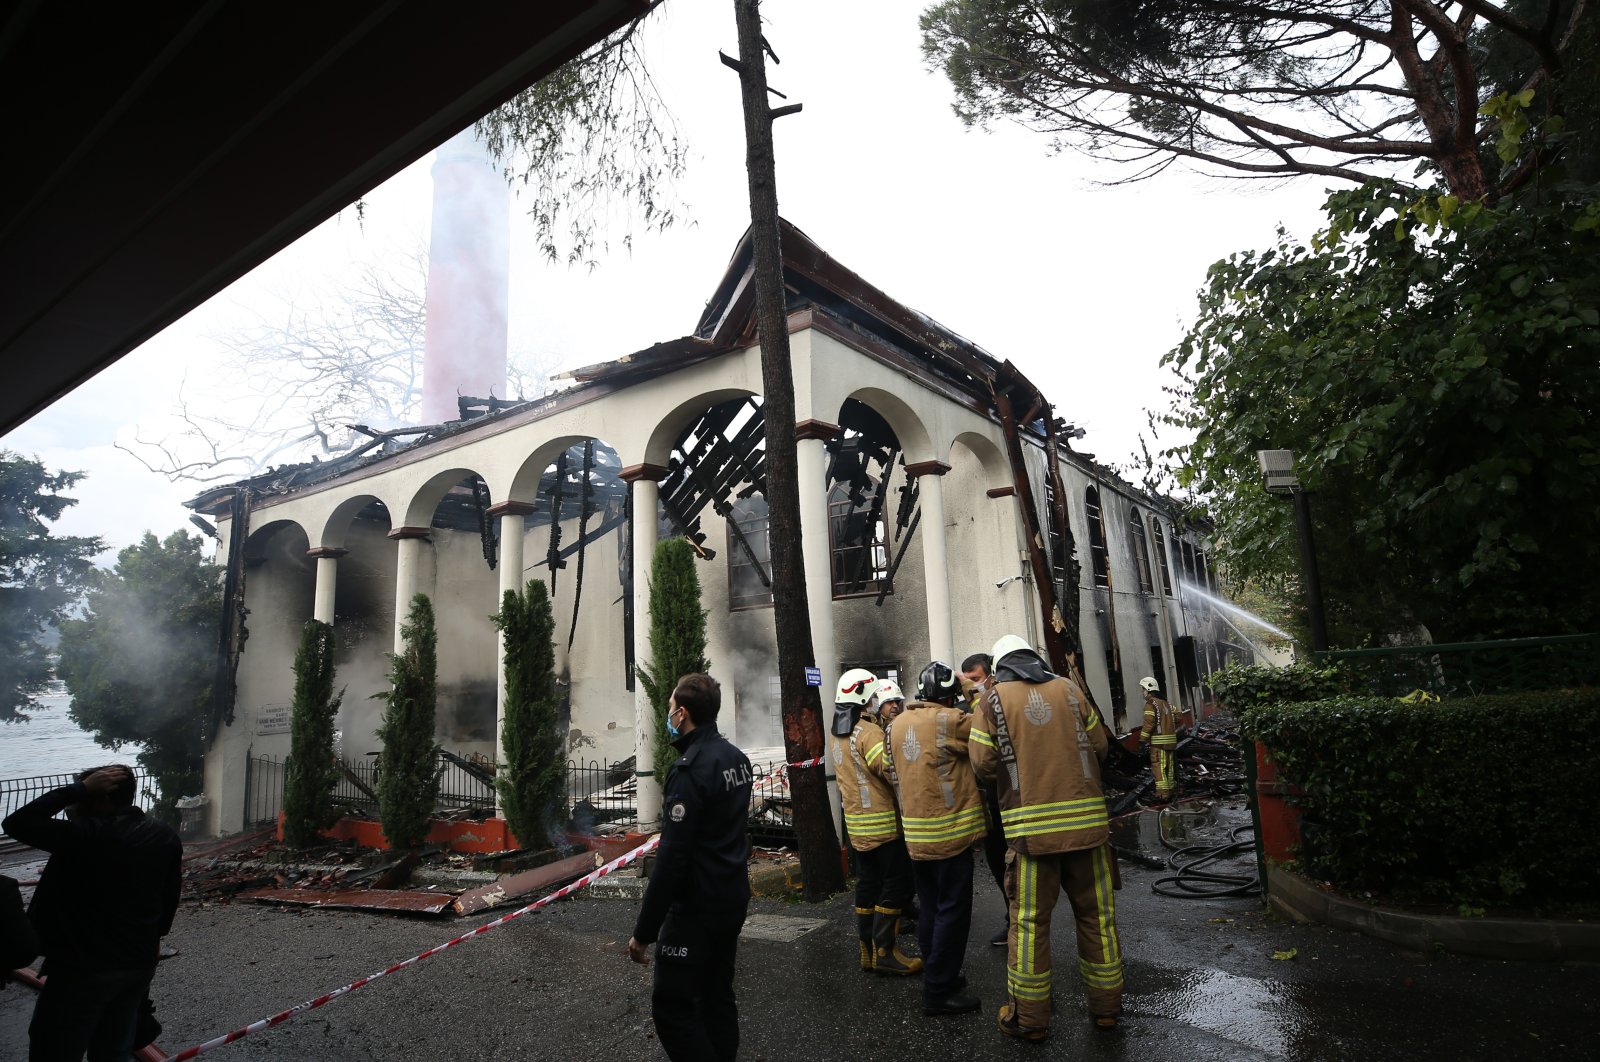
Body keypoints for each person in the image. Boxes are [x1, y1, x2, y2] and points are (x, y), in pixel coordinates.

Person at [970, 635, 1124, 1043]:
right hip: (1089, 831)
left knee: (1029, 926)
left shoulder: (992, 701)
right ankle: (1107, 1010)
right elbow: (1100, 745)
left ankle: (1030, 1020)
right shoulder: (1069, 689)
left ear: (999, 666)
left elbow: (983, 764)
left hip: (1032, 838)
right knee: (1098, 920)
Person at [2, 764, 182, 1062]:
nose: (71, 807)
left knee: (55, 1049)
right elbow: (168, 902)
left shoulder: (84, 836)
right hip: (138, 963)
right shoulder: (163, 835)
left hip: (82, 968)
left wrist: (80, 788)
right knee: (114, 1050)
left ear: (98, 798)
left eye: (79, 798)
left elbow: (16, 823)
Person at [628, 674, 753, 1062]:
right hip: (731, 897)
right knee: (717, 995)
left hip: (697, 908)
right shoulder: (737, 759)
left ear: (682, 714)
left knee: (673, 1008)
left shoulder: (690, 770)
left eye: (670, 708)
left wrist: (644, 933)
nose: (668, 714)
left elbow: (673, 858)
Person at [885, 662, 986, 1017]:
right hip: (950, 834)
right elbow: (988, 728)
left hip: (915, 837)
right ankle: (938, 991)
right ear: (949, 695)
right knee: (952, 912)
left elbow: (888, 768)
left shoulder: (895, 725)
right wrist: (973, 690)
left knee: (930, 907)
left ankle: (937, 972)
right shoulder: (950, 720)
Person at [831, 672, 921, 975]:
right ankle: (886, 952)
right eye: (870, 697)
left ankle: (867, 953)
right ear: (861, 699)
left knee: (867, 885)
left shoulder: (838, 733)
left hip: (857, 827)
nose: (874, 701)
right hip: (883, 827)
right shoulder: (866, 731)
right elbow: (887, 768)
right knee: (898, 884)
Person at [960, 652, 1009, 947]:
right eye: (970, 681)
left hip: (1009, 794)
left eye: (977, 679)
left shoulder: (1002, 700)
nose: (975, 686)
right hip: (989, 800)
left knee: (1014, 862)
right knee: (997, 861)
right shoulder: (966, 706)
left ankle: (1019, 921)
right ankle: (1011, 918)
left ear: (992, 675)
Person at [1140, 676, 1181, 802]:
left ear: (1149, 689)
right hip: (1171, 742)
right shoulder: (1166, 703)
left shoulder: (1151, 704)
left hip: (1159, 744)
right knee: (1169, 767)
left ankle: (1163, 794)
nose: (1142, 692)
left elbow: (1149, 724)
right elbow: (1178, 716)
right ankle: (1170, 790)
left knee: (1160, 767)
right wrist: (1168, 722)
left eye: (1143, 689)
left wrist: (1142, 740)